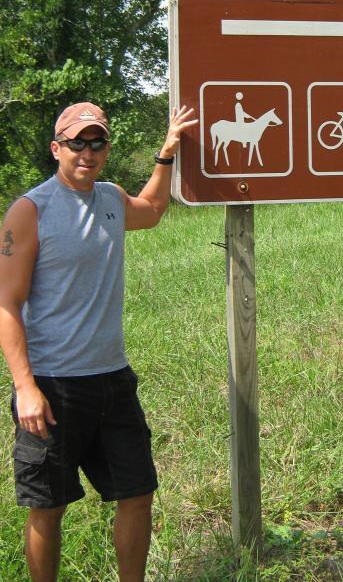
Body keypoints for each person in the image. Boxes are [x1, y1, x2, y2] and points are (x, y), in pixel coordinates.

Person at [0, 101, 197, 582]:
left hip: (112, 380)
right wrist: (25, 387)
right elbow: (7, 304)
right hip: (52, 387)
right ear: (57, 148)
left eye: (97, 142)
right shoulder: (29, 212)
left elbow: (149, 211)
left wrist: (166, 154)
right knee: (49, 506)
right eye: (76, 143)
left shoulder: (110, 198)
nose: (87, 152)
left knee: (137, 491)